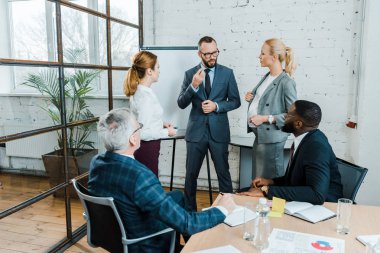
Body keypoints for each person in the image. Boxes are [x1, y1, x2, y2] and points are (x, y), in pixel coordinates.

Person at [88, 108, 237, 253]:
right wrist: (221, 209)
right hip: (142, 244)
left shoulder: (97, 162)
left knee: (178, 196)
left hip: (115, 233)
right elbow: (187, 223)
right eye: (138, 127)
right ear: (133, 139)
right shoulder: (140, 176)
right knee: (185, 220)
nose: (140, 130)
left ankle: (191, 246)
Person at [177, 36, 241, 211]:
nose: (212, 57)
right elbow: (181, 103)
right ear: (199, 54)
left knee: (224, 174)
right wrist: (194, 86)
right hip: (196, 133)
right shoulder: (190, 74)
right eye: (207, 54)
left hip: (218, 132)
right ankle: (189, 215)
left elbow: (235, 101)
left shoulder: (227, 73)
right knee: (191, 176)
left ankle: (228, 211)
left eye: (215, 52)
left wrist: (217, 106)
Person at [238, 100, 343, 205]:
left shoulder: (316, 146)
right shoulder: (306, 139)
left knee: (249, 199)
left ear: (298, 124)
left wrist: (266, 190)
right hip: (303, 199)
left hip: (325, 206)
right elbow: (297, 178)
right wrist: (271, 182)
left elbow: (317, 194)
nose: (284, 117)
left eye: (288, 115)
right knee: (244, 192)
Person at [245, 38, 297, 179]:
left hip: (272, 139)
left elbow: (293, 116)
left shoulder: (286, 83)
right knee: (258, 181)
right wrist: (252, 97)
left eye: (262, 53)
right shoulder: (267, 76)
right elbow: (266, 100)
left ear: (274, 57)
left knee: (270, 181)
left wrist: (264, 118)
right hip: (261, 136)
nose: (259, 56)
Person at [123, 51, 177, 177]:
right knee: (149, 185)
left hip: (147, 147)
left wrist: (161, 123)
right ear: (149, 71)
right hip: (146, 148)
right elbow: (143, 133)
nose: (159, 71)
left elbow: (142, 121)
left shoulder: (143, 92)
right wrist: (167, 132)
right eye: (157, 67)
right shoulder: (144, 97)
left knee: (147, 184)